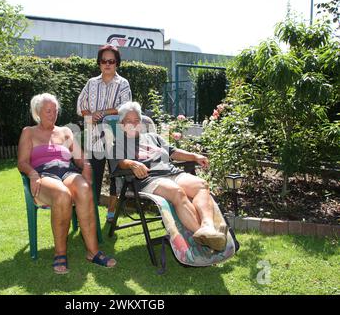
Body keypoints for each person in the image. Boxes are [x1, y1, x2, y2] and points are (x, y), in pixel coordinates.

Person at [17, 93, 116, 274]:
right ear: (38, 112)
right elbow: (22, 162)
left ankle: (93, 252)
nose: (53, 114)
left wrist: (86, 167)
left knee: (85, 190)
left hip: (67, 171)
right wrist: (32, 174)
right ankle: (60, 253)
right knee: (62, 195)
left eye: (55, 111)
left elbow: (79, 158)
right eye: (48, 111)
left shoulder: (65, 131)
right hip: (44, 174)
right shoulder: (28, 132)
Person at [109, 102, 227, 251]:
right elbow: (119, 163)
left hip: (172, 173)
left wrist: (195, 156)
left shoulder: (153, 137)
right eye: (129, 121)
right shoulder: (117, 144)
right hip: (149, 179)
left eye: (136, 121)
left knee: (201, 185)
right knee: (177, 192)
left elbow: (173, 152)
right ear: (121, 124)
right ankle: (205, 240)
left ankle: (207, 227)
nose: (133, 124)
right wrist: (132, 164)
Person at [77, 44, 132, 223]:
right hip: (94, 137)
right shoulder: (91, 83)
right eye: (103, 61)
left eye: (111, 61)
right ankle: (90, 213)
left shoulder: (123, 84)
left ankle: (111, 211)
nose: (107, 64)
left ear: (117, 63)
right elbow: (80, 106)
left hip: (116, 137)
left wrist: (103, 113)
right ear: (99, 63)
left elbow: (125, 109)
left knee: (116, 174)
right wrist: (90, 116)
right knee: (94, 175)